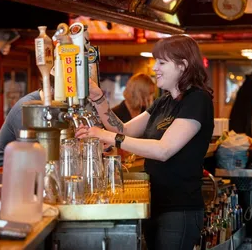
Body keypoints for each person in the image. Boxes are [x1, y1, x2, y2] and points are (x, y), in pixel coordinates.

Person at [76, 34, 214, 250]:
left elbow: (163, 150)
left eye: (161, 62)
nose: (155, 68)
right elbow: (124, 129)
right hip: (155, 203)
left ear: (183, 65)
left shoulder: (197, 100)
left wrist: (106, 136)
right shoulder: (163, 101)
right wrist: (98, 98)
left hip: (179, 210)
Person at [0, 89, 43, 167]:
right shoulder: (25, 108)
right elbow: (35, 155)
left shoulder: (49, 106)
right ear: (51, 89)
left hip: (18, 170)